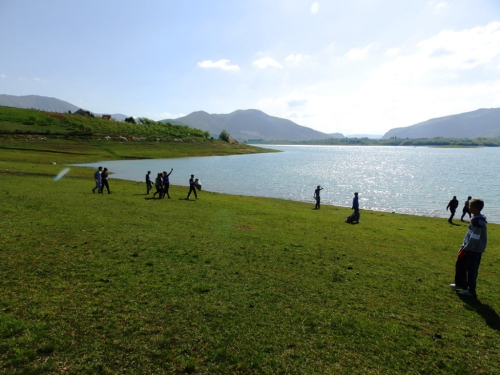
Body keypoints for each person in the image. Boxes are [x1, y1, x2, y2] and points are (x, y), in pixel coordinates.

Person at [450, 199, 487, 297]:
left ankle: (471, 291)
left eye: (470, 206)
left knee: (471, 270)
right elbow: (469, 236)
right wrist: (463, 247)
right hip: (467, 248)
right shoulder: (474, 219)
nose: (468, 208)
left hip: (473, 250)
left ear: (475, 208)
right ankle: (460, 284)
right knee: (460, 265)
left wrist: (465, 249)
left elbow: (474, 239)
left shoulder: (478, 222)